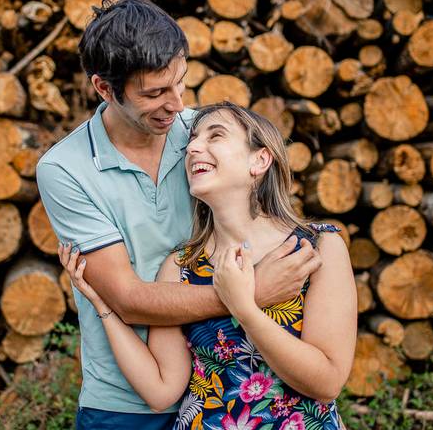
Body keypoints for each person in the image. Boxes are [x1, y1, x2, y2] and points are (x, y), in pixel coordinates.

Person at [36, 0, 325, 430]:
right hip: (130, 398)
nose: (175, 106)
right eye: (153, 93)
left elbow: (263, 220)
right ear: (104, 88)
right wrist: (250, 296)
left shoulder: (202, 139)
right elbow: (128, 299)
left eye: (180, 83)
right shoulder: (65, 170)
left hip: (227, 388)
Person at [59, 102, 357, 430]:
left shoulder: (318, 249)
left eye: (215, 136)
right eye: (194, 140)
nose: (193, 148)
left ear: (259, 160)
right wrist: (104, 302)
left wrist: (245, 310)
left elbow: (327, 382)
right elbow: (161, 390)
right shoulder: (181, 267)